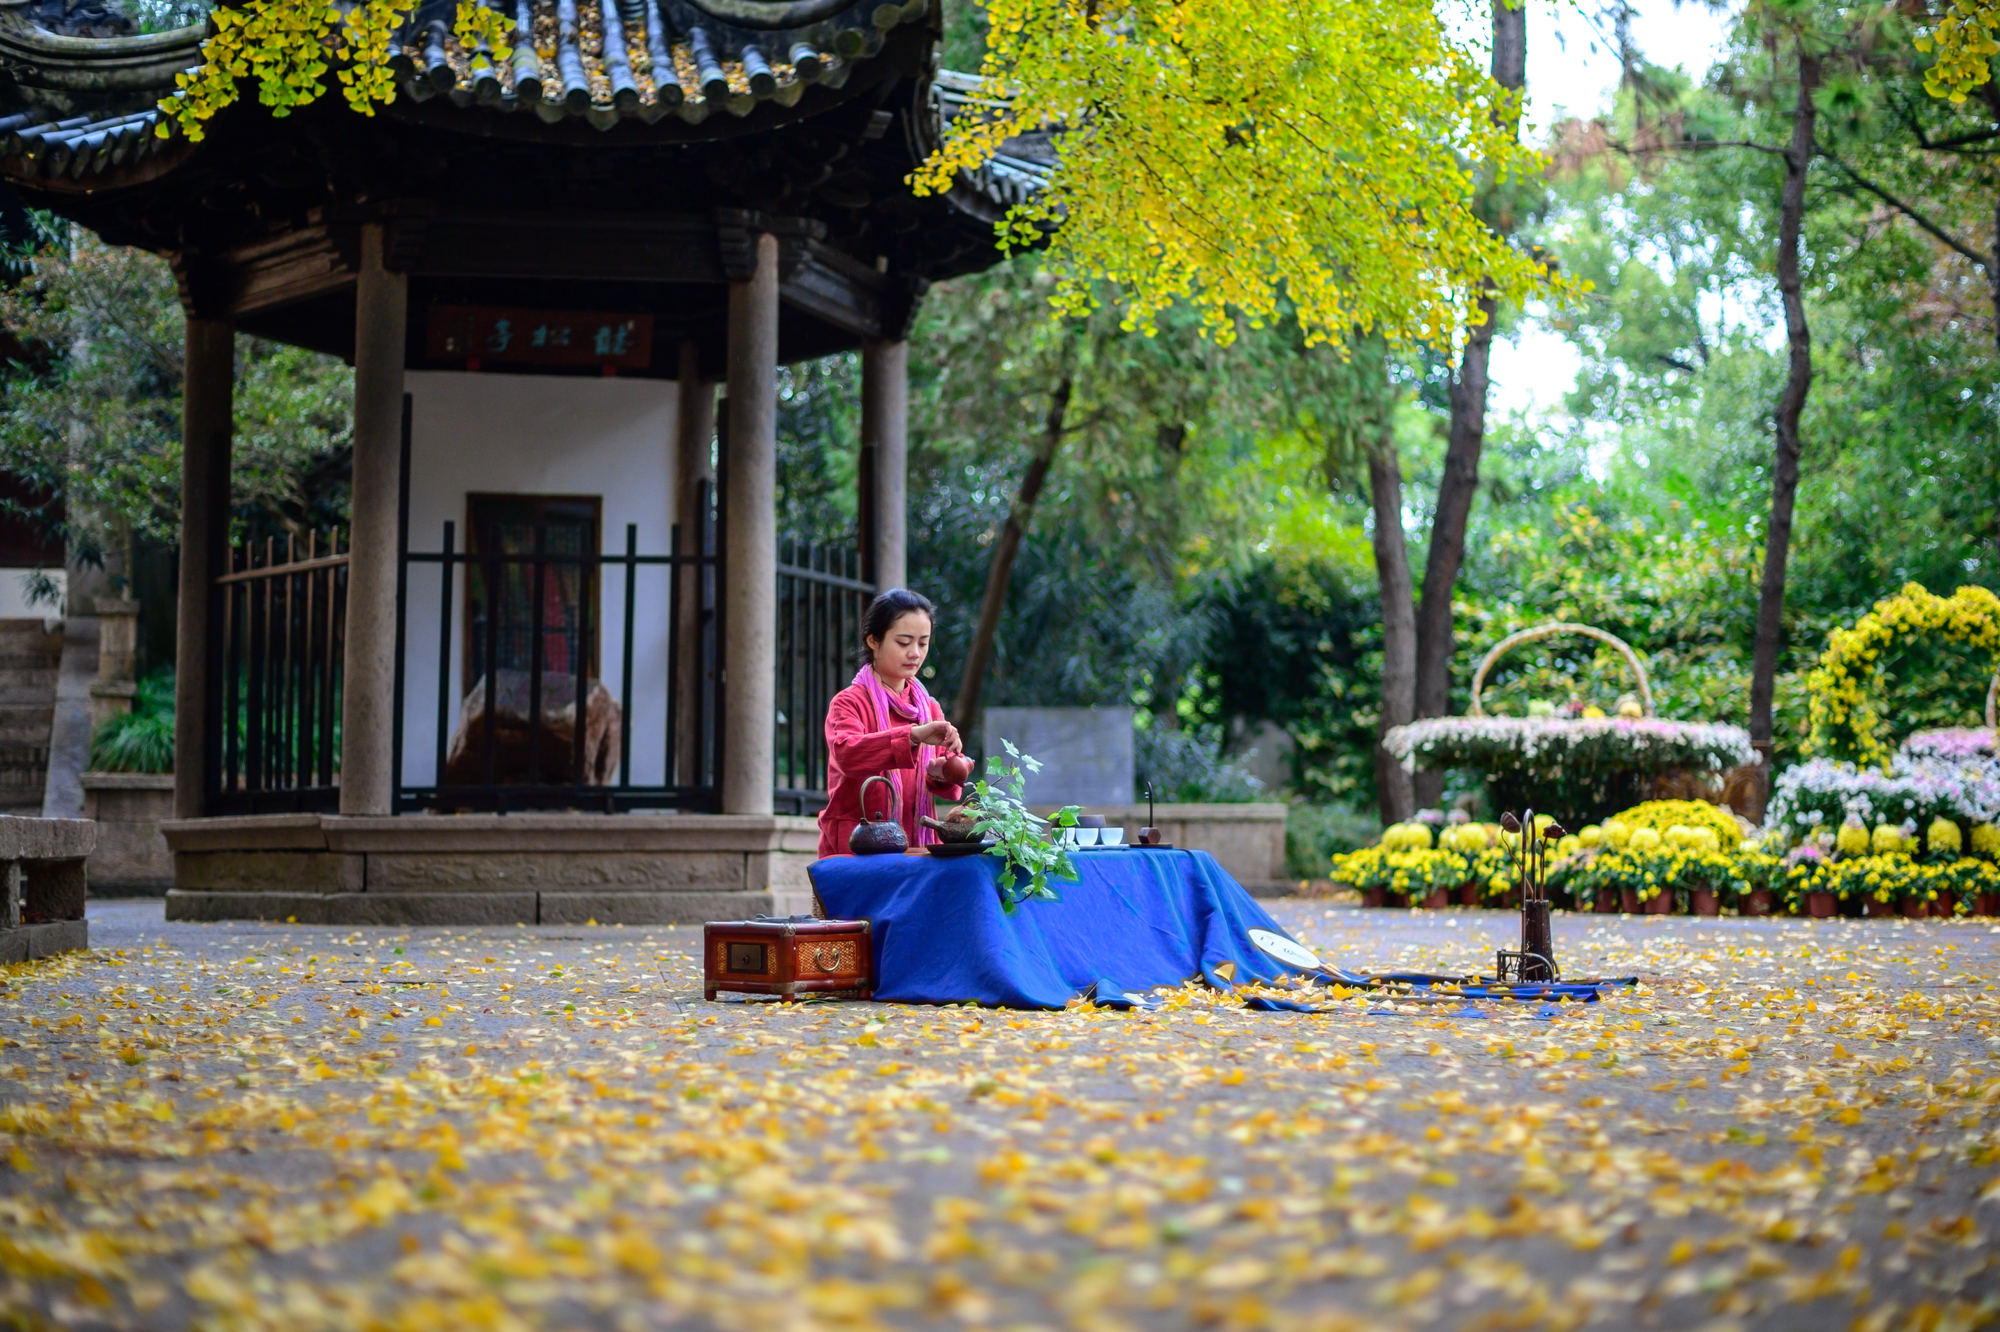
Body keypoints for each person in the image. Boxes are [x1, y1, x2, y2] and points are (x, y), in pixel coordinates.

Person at [818, 588, 965, 858]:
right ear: (873, 640)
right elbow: (848, 754)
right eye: (903, 642)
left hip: (917, 849)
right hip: (857, 850)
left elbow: (947, 785)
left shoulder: (929, 707)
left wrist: (949, 769)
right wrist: (912, 736)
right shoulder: (848, 703)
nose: (915, 653)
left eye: (923, 643)